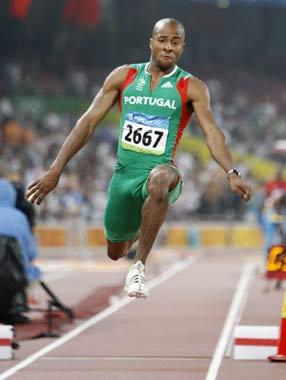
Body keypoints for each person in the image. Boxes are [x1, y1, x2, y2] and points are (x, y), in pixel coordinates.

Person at [26, 18, 251, 299]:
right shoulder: (124, 76)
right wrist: (55, 169)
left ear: (182, 47)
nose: (168, 47)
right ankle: (138, 229)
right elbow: (88, 122)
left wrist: (232, 172)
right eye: (163, 40)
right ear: (152, 42)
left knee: (160, 179)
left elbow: (213, 133)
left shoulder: (192, 87)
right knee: (113, 252)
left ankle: (139, 267)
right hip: (123, 177)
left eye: (175, 42)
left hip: (161, 171)